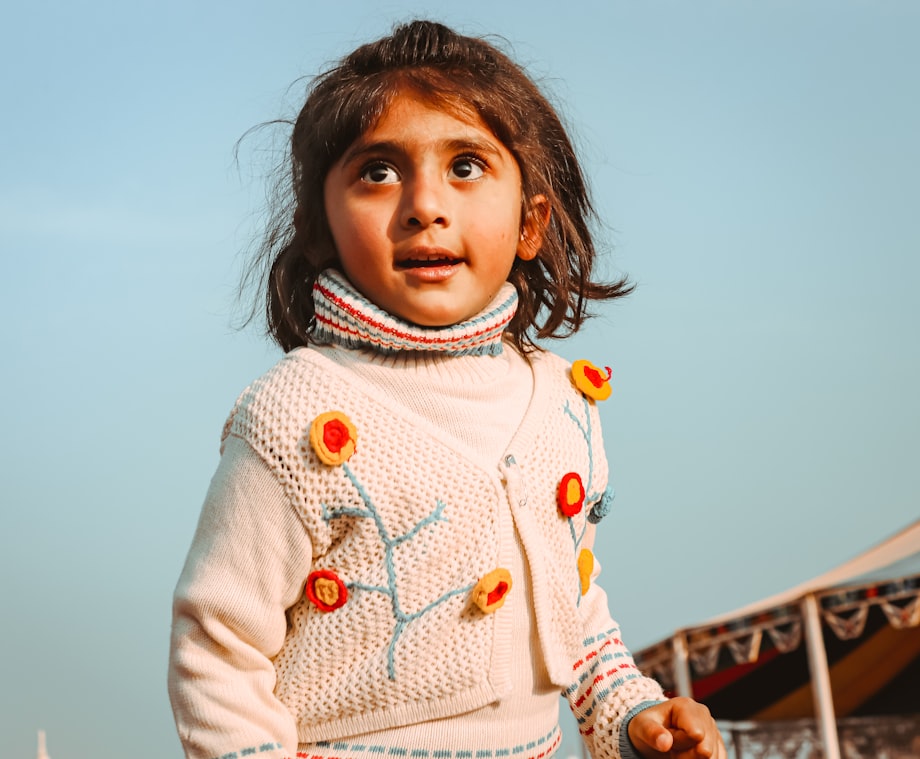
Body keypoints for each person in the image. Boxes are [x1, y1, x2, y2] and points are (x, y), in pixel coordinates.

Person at [168, 19, 725, 759]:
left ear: (530, 223)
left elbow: (573, 616)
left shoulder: (563, 404)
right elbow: (218, 647)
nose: (425, 203)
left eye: (466, 166)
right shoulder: (295, 418)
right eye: (378, 171)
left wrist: (632, 715)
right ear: (319, 231)